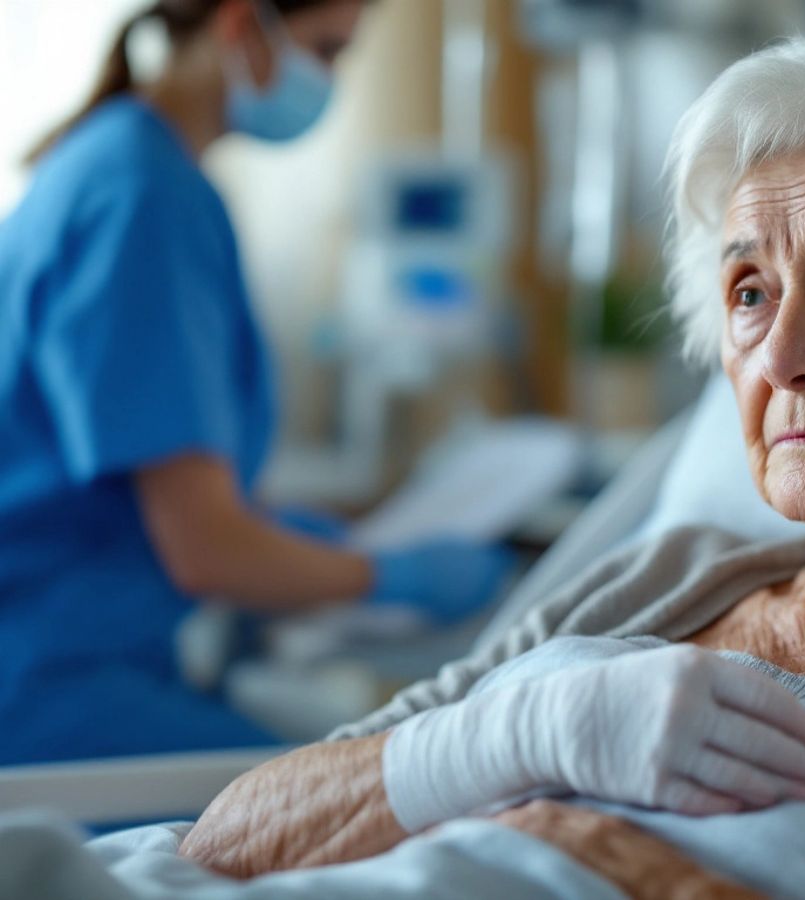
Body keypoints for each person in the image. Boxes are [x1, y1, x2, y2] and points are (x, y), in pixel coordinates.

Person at [173, 17, 805, 898]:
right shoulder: (663, 576)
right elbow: (225, 841)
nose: (782, 355)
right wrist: (507, 743)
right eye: (749, 292)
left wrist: (633, 868)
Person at [0, 0, 513, 766]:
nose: (331, 79)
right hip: (49, 698)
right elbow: (204, 550)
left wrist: (287, 538)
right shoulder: (144, 197)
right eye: (328, 50)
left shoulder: (115, 161)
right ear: (242, 26)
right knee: (368, 803)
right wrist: (391, 575)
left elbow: (155, 497)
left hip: (67, 665)